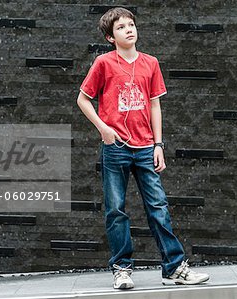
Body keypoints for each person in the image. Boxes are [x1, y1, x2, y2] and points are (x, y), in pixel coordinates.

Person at [76, 7, 210, 289]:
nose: (129, 29)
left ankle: (174, 268)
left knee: (158, 207)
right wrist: (103, 128)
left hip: (146, 147)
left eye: (131, 24)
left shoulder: (151, 63)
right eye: (121, 27)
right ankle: (121, 269)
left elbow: (154, 105)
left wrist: (158, 144)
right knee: (116, 210)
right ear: (111, 38)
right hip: (116, 148)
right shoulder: (103, 63)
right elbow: (83, 99)